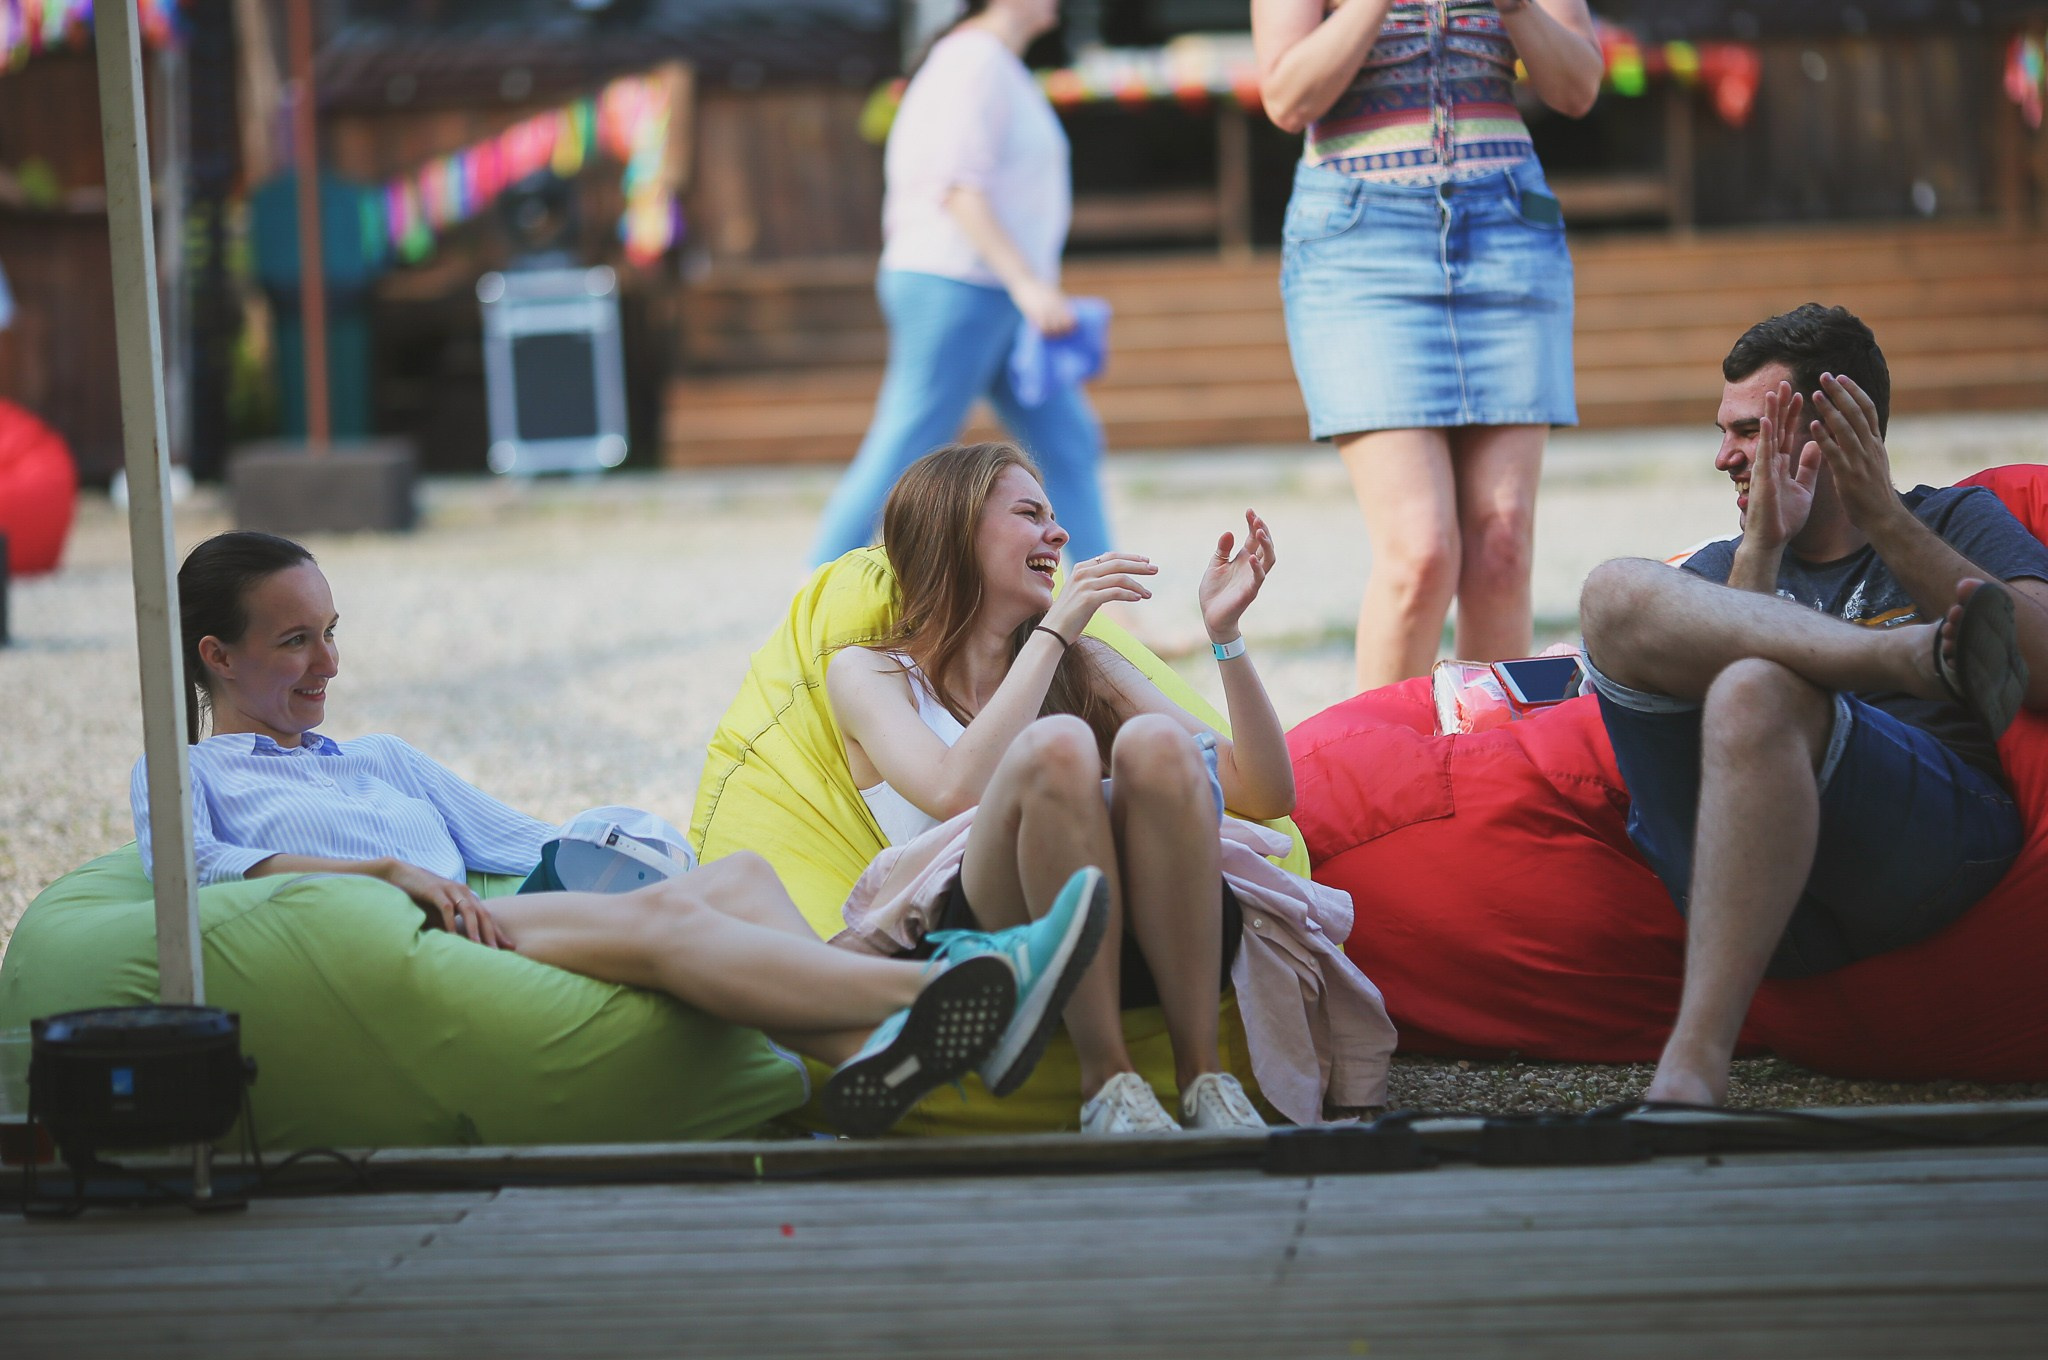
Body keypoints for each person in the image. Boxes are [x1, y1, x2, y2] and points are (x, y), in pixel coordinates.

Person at [134, 531, 1109, 1138]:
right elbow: (192, 870)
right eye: (294, 640)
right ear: (216, 656)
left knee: (728, 879)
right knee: (665, 933)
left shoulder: (375, 757)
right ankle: (966, 989)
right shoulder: (185, 773)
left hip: (478, 919)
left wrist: (636, 848)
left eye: (330, 631)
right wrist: (383, 870)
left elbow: (528, 842)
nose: (328, 662)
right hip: (396, 939)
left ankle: (865, 1052)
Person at [827, 442, 1397, 1133]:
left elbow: (1267, 789)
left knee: (1159, 745)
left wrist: (1226, 637)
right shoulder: (871, 673)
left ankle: (1204, 1079)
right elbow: (953, 790)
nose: (1059, 534)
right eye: (1030, 514)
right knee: (1058, 744)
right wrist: (1058, 630)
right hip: (991, 945)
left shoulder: (1082, 663)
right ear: (955, 530)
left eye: (1055, 515)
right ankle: (1109, 1083)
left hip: (1154, 934)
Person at [1576, 305, 2048, 1106]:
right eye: (1723, 431)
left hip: (1923, 855)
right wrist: (1761, 550)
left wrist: (1885, 520)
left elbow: (2036, 661)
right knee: (1611, 591)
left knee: (1759, 687)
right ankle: (1895, 656)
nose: (1723, 456)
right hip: (1749, 882)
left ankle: (1692, 1067)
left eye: (1751, 431)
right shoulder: (1730, 563)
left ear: (1836, 429)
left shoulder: (1953, 521)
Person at [1253, 0, 1601, 690]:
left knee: (1502, 543)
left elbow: (1578, 86)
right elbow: (1289, 98)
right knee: (1420, 554)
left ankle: (1489, 782)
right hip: (1361, 241)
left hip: (1505, 229)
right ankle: (1380, 786)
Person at [809, 0, 1112, 569]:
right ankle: (812, 593)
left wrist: (1025, 288)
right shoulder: (972, 61)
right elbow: (957, 187)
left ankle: (1112, 610)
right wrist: (1028, 285)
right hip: (957, 284)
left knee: (1067, 441)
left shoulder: (995, 63)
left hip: (993, 290)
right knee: (908, 444)